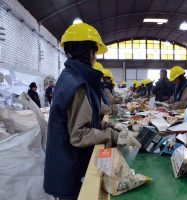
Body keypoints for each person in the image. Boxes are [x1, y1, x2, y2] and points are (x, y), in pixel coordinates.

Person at [44, 23, 140, 200]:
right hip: (69, 169)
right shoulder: (77, 85)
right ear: (89, 52)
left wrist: (108, 125)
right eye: (95, 51)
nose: (96, 57)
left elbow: (84, 119)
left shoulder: (72, 78)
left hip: (65, 165)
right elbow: (79, 135)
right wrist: (112, 135)